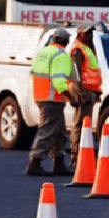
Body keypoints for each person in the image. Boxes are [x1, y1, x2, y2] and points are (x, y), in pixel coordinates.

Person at [25, 28, 75, 176]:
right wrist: (70, 95)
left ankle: (59, 163)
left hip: (41, 96)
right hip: (52, 98)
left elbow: (33, 73)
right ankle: (35, 162)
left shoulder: (43, 53)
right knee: (47, 130)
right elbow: (59, 80)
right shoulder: (61, 55)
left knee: (59, 132)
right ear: (66, 41)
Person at [68, 24, 102, 168]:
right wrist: (81, 93)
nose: (90, 36)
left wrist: (96, 92)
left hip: (89, 91)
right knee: (80, 124)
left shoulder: (88, 49)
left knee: (85, 124)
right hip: (82, 91)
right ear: (80, 35)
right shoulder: (78, 50)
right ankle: (76, 155)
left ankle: (82, 155)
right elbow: (75, 74)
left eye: (91, 33)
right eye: (87, 33)